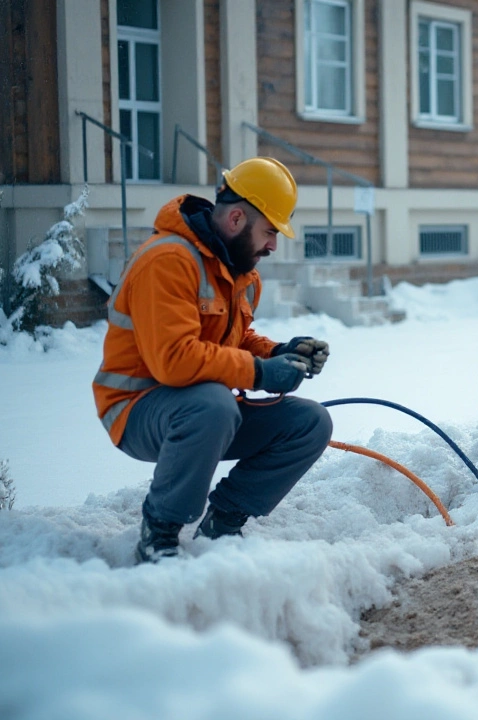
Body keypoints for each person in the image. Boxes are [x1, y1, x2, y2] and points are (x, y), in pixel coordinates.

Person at [93, 157, 333, 563]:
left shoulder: (242, 272)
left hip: (205, 409)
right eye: (270, 232)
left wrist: (278, 353)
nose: (273, 245)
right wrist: (260, 373)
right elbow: (174, 359)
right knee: (211, 405)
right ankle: (160, 533)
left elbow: (237, 338)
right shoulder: (167, 261)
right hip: (137, 409)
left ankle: (222, 522)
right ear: (237, 218)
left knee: (310, 423)